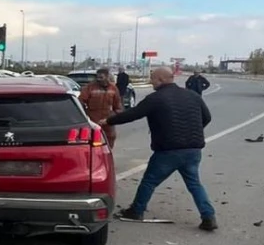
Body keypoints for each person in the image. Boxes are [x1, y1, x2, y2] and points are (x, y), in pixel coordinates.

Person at [99, 67, 217, 231]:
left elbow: (133, 114)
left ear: (161, 80)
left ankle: (136, 211)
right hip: (193, 150)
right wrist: (191, 133)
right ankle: (208, 216)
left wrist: (108, 121)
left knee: (149, 181)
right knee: (194, 184)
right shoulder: (192, 95)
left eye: (153, 79)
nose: (151, 82)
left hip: (168, 151)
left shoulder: (156, 99)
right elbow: (207, 117)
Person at [78, 67, 122, 145]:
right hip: (93, 119)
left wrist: (114, 116)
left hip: (107, 119)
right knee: (93, 138)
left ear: (107, 77)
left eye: (101, 77)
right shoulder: (90, 87)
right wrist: (85, 115)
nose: (99, 79)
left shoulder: (113, 88)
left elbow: (118, 105)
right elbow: (80, 101)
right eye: (97, 77)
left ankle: (108, 153)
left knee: (111, 137)